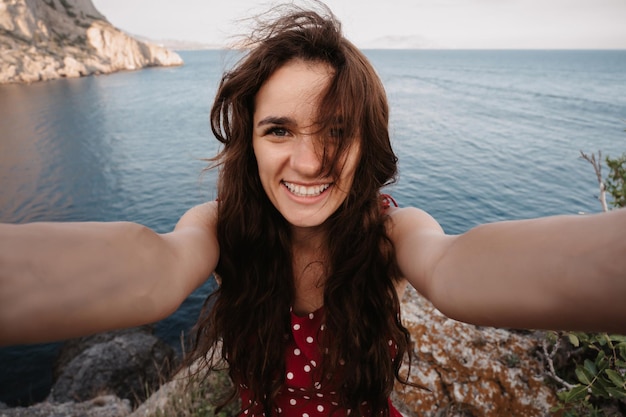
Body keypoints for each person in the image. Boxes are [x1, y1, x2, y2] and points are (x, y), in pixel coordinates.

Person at [1, 2, 625, 416]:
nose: (308, 162)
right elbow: (156, 270)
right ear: (249, 142)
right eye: (279, 130)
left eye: (335, 132)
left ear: (367, 141)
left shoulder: (391, 231)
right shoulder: (223, 230)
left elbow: (457, 269)